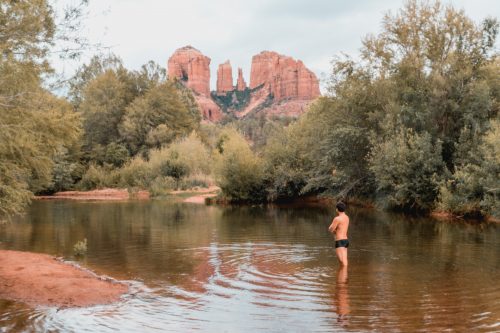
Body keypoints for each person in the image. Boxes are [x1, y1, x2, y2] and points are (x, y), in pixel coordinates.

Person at [328, 202, 349, 266]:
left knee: (342, 262)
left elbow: (331, 229)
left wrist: (332, 230)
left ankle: (344, 274)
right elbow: (341, 228)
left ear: (337, 209)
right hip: (346, 240)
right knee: (344, 260)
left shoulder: (337, 219)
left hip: (339, 241)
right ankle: (345, 274)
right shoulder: (347, 217)